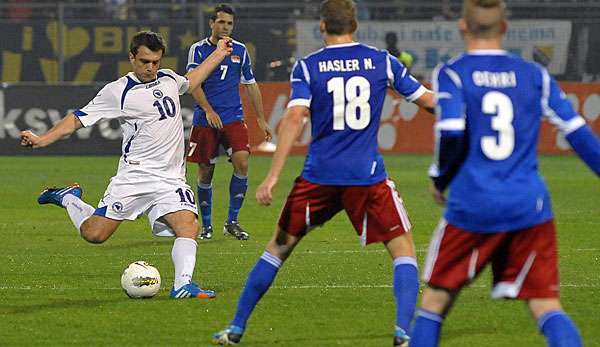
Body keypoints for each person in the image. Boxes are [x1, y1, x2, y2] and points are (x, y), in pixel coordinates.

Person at [212, 0, 434, 345]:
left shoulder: (308, 66)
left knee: (277, 248)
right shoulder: (382, 62)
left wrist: (272, 176)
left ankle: (236, 327)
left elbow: (295, 118)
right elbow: (430, 102)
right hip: (367, 177)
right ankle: (404, 333)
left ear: (321, 26)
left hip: (318, 177)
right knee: (402, 249)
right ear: (355, 24)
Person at [410, 1, 600, 346]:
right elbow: (578, 133)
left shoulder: (453, 73)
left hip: (473, 206)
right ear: (505, 29)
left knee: (434, 303)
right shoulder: (535, 76)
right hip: (529, 207)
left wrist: (440, 179)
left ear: (463, 28)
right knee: (546, 305)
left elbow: (451, 131)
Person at [20, 31, 234, 300]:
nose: (151, 68)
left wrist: (218, 53)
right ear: (132, 57)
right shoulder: (117, 91)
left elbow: (190, 82)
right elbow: (76, 119)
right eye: (145, 61)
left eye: (156, 61)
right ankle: (68, 199)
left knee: (188, 225)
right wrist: (42, 140)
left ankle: (182, 285)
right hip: (135, 176)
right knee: (94, 234)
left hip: (170, 179)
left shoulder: (168, 78)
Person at [185, 3, 273, 241]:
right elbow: (192, 84)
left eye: (229, 23)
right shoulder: (198, 50)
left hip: (233, 117)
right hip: (206, 120)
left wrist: (261, 120)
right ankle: (206, 225)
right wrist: (208, 110)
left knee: (242, 163)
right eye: (221, 22)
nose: (225, 27)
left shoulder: (240, 50)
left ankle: (232, 222)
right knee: (206, 171)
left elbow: (251, 85)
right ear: (211, 23)